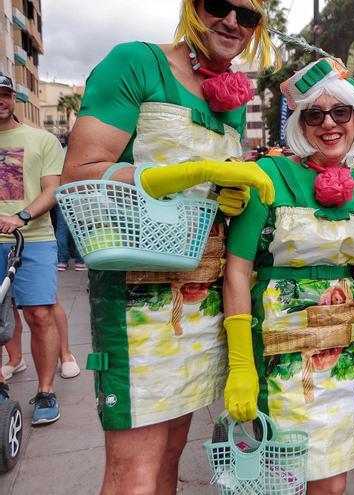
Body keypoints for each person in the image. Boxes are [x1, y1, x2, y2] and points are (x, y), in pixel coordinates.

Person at [61, 1, 277, 492]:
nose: (232, 22)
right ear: (192, 6)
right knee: (134, 471)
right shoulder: (136, 62)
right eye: (219, 5)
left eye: (248, 16)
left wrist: (226, 197)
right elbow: (79, 173)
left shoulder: (232, 100)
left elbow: (209, 206)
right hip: (139, 307)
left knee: (169, 460)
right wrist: (194, 174)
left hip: (202, 309)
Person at [225, 58, 354, 495]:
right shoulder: (267, 176)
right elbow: (237, 272)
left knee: (332, 478)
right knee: (282, 476)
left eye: (340, 112)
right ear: (300, 122)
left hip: (346, 355)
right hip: (280, 355)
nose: (328, 124)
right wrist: (240, 365)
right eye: (314, 114)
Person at [0, 73, 65, 426]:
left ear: (14, 99)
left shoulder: (42, 140)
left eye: (5, 94)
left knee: (39, 315)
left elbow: (52, 189)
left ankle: (45, 391)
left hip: (33, 240)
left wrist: (21, 215)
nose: (1, 100)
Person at [53, 204, 84, 271]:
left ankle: (61, 262)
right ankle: (80, 261)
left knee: (62, 229)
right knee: (78, 228)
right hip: (76, 198)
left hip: (59, 197)